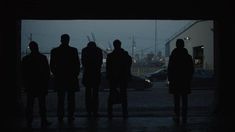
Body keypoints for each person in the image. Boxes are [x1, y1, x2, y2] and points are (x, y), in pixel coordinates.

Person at [50, 34, 80, 124]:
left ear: (61, 40)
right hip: (71, 78)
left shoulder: (55, 51)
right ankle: (70, 115)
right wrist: (75, 74)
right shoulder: (73, 51)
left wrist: (56, 74)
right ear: (68, 40)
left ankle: (60, 115)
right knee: (71, 99)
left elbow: (52, 65)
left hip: (60, 78)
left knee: (60, 98)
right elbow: (77, 64)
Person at [21, 41, 51, 128]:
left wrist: (25, 84)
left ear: (30, 48)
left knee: (30, 104)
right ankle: (43, 120)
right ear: (37, 47)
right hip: (41, 84)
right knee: (42, 104)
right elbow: (47, 72)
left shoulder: (26, 59)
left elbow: (23, 73)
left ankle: (29, 121)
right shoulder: (43, 58)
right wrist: (46, 84)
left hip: (30, 85)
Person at [167, 39, 194, 124]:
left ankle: (177, 115)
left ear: (176, 45)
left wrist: (170, 79)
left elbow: (170, 69)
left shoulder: (173, 56)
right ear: (183, 45)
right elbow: (191, 69)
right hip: (185, 81)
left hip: (175, 81)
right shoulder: (187, 56)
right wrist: (189, 78)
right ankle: (184, 115)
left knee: (176, 99)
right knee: (185, 99)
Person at [106, 39, 132, 119]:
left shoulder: (110, 56)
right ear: (120, 45)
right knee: (124, 95)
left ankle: (110, 113)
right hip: (123, 77)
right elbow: (129, 64)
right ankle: (125, 113)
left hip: (113, 78)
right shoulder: (125, 55)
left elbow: (108, 68)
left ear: (114, 45)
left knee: (112, 95)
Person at [81, 41, 103, 117]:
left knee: (88, 93)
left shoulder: (84, 51)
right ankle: (95, 111)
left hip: (87, 74)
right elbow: (100, 63)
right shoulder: (99, 51)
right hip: (96, 74)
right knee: (95, 94)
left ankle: (89, 110)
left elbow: (83, 62)